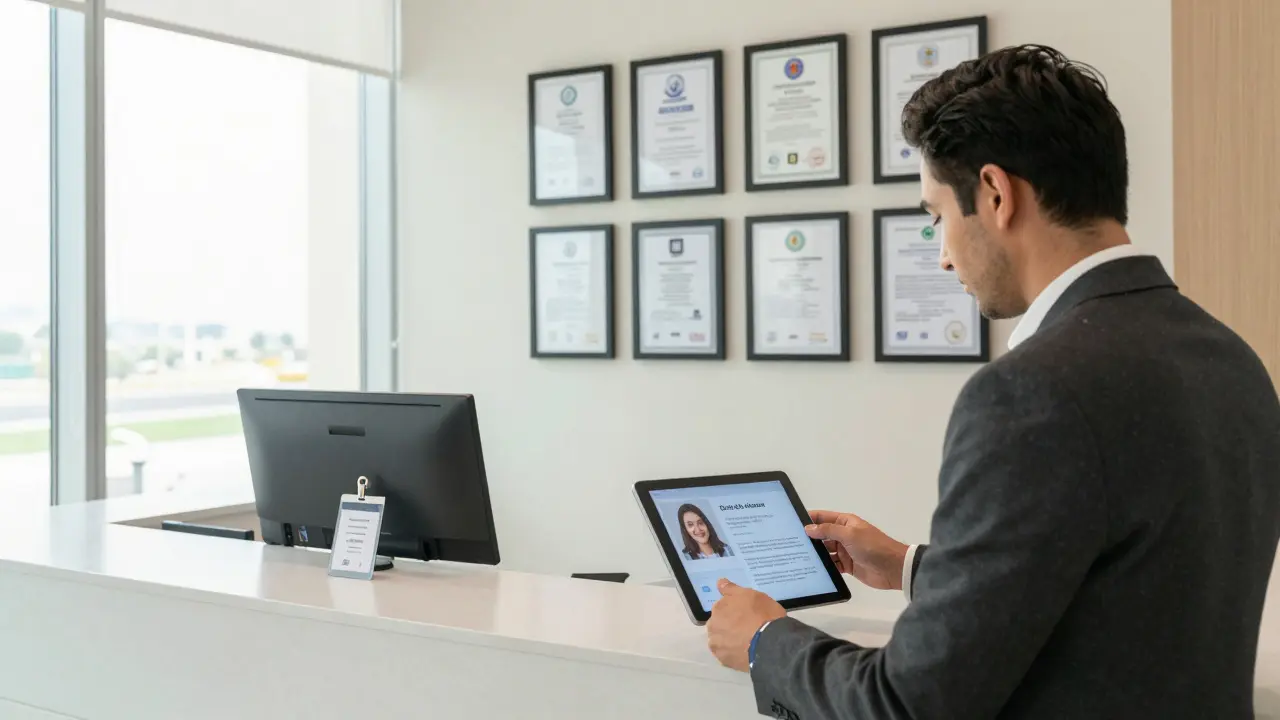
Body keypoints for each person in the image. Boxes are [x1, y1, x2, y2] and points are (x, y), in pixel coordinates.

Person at [705, 44, 1280, 719]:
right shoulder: (1229, 357)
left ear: (997, 194)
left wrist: (765, 640)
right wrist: (912, 566)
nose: (943, 256)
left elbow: (907, 705)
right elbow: (1126, 596)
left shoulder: (1032, 392)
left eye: (937, 216)